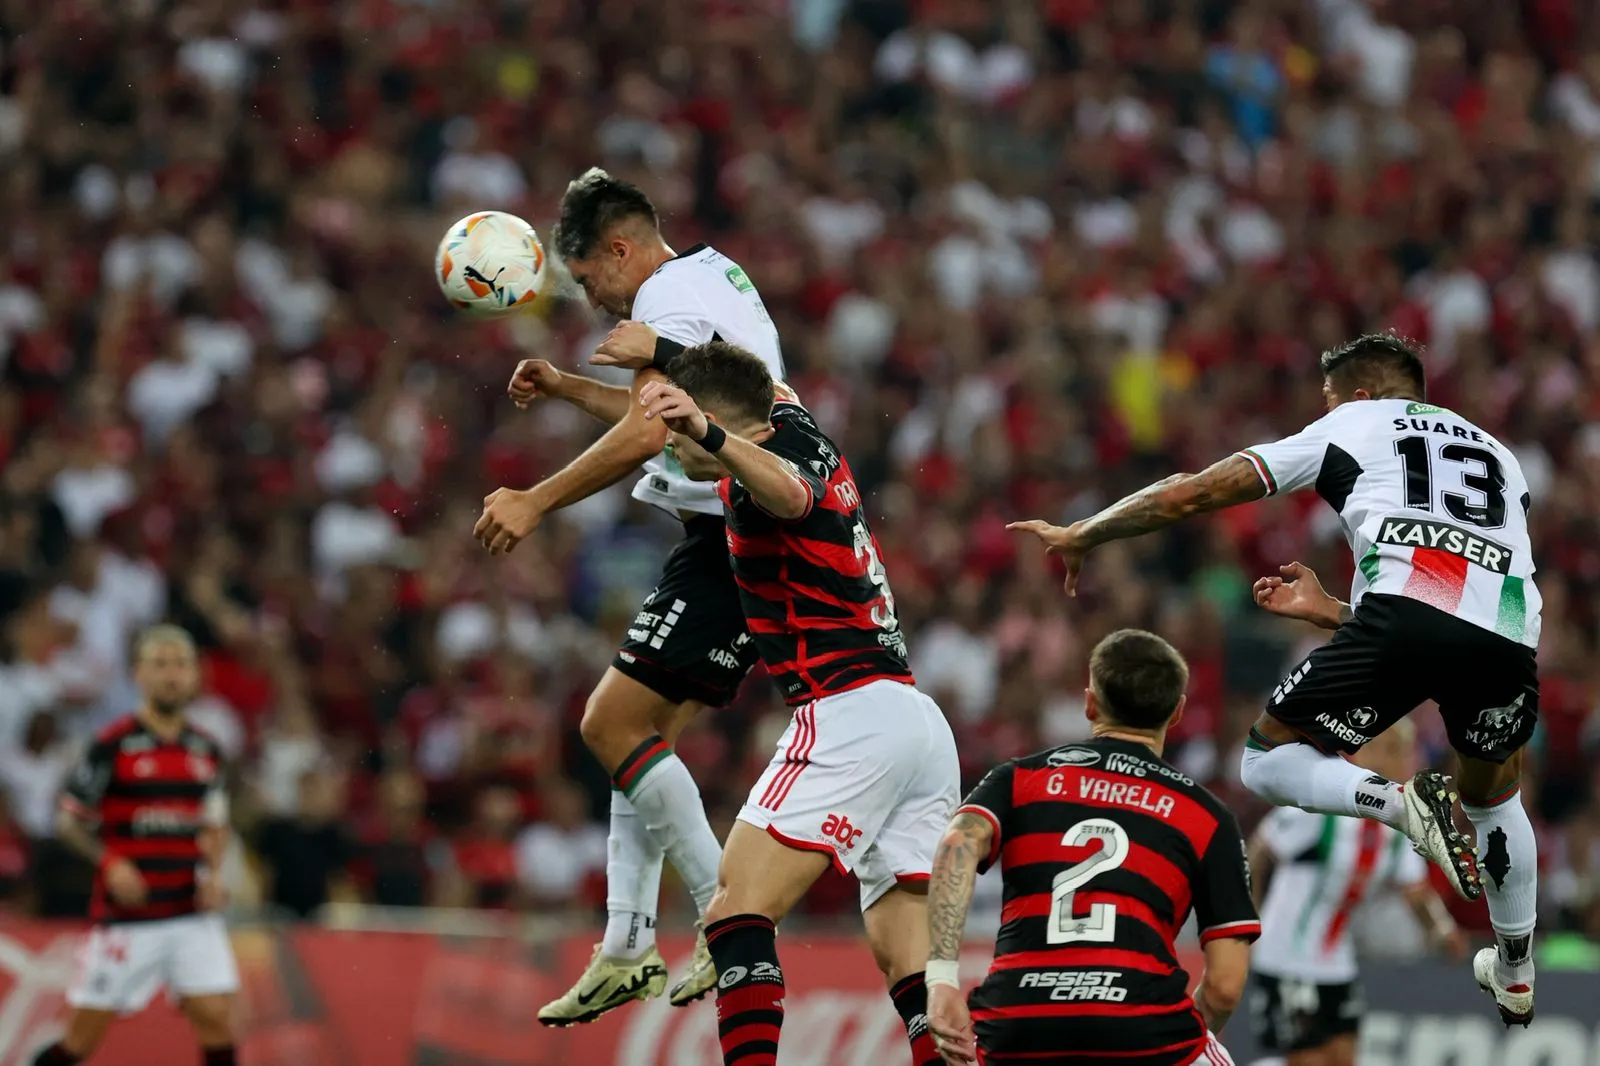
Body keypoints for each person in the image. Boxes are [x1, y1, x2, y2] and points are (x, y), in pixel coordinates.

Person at [1010, 333, 1541, 1025]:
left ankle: (1403, 806)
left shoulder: (1352, 423)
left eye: (1327, 401)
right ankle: (1516, 971)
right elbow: (1462, 602)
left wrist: (1090, 531)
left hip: (1406, 615)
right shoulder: (1503, 458)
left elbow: (1191, 494)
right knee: (1497, 803)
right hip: (1509, 636)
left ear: (1360, 394)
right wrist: (1338, 615)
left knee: (1264, 757)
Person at [475, 169, 787, 1024]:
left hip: (731, 537)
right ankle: (625, 945)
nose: (593, 303)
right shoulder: (710, 275)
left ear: (619, 249)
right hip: (734, 530)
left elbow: (654, 428)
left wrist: (535, 498)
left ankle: (727, 925)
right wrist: (573, 388)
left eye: (587, 281)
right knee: (640, 747)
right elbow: (674, 406)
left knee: (607, 726)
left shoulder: (670, 298)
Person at [637, 341, 959, 1066]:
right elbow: (758, 380)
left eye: (679, 429)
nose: (668, 446)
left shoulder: (762, 475)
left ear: (715, 421)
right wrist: (649, 357)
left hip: (848, 713)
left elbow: (789, 495)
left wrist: (707, 434)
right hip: (914, 723)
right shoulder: (795, 421)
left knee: (736, 910)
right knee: (908, 964)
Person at [922, 629, 1255, 1066]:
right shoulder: (1207, 815)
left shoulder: (1019, 779)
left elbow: (958, 842)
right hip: (1144, 1024)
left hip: (1016, 1024)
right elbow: (1226, 984)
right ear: (1177, 713)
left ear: (1090, 702)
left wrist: (942, 978)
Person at [31, 625, 239, 1066]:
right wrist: (110, 862)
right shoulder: (112, 744)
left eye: (181, 665)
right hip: (128, 918)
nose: (171, 675)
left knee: (216, 1018)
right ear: (138, 675)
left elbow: (215, 824)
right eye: (160, 665)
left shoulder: (207, 750)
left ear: (195, 676)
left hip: (189, 912)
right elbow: (68, 820)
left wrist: (215, 876)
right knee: (80, 1040)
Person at [1247, 719, 1465, 1066]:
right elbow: (1257, 855)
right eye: (1386, 748)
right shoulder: (1321, 806)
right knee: (1308, 1060)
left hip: (1337, 964)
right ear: (1360, 754)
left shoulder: (1397, 829)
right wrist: (1248, 922)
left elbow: (1416, 892)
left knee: (1343, 1059)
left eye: (1401, 751)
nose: (1395, 760)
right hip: (1286, 956)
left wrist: (1443, 931)